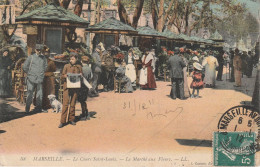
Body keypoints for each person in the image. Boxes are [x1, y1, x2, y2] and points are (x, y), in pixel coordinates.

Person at [59, 52, 82, 128]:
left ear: (76, 59)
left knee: (73, 104)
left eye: (73, 59)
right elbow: (62, 76)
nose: (71, 60)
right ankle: (62, 121)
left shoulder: (79, 67)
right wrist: (65, 76)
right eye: (70, 59)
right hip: (67, 87)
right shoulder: (66, 66)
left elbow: (82, 76)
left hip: (75, 88)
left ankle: (71, 119)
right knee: (65, 104)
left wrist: (81, 76)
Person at [22, 44, 48, 113]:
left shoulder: (44, 58)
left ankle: (38, 108)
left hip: (39, 78)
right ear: (35, 50)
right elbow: (24, 67)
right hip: (31, 78)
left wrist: (42, 73)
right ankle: (27, 109)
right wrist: (29, 73)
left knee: (39, 94)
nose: (39, 51)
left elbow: (45, 67)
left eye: (40, 50)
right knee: (30, 93)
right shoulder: (31, 57)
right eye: (37, 50)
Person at [42, 46, 56, 112]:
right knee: (42, 92)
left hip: (48, 79)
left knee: (48, 91)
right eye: (45, 52)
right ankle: (42, 105)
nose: (46, 54)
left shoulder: (51, 62)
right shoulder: (40, 61)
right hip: (41, 78)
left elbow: (54, 69)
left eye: (47, 52)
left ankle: (47, 105)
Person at [78, 56, 92, 121]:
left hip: (81, 86)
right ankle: (85, 112)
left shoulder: (81, 68)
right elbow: (91, 77)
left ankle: (84, 114)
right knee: (83, 100)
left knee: (81, 100)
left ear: (81, 61)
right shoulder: (89, 68)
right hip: (86, 86)